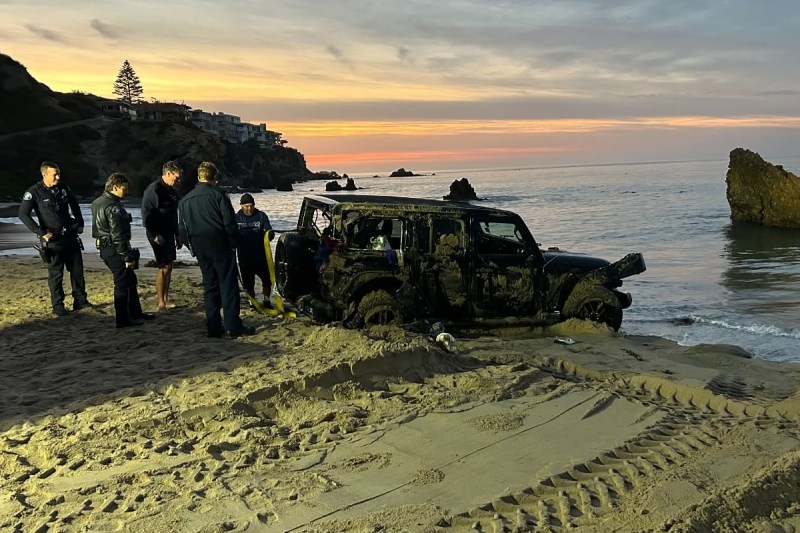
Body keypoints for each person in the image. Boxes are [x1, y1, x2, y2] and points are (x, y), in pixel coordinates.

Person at [178, 162, 256, 338]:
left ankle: (213, 326)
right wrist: (234, 242)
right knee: (228, 285)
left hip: (200, 246)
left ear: (199, 177)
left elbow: (182, 228)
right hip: (219, 243)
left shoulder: (185, 200)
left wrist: (191, 247)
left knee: (210, 285)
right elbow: (229, 222)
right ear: (215, 178)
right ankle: (233, 325)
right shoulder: (218, 195)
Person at [18, 161, 91, 316]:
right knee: (56, 274)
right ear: (44, 174)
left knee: (77, 271)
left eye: (59, 173)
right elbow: (23, 214)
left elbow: (75, 204)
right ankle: (58, 306)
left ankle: (81, 301)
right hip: (52, 240)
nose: (58, 177)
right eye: (54, 174)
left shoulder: (63, 188)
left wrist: (80, 223)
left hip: (70, 236)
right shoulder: (34, 192)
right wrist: (40, 232)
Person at [91, 173, 155, 328]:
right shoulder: (114, 208)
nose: (126, 192)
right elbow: (118, 235)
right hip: (115, 249)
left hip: (106, 247)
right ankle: (123, 319)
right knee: (122, 283)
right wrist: (126, 256)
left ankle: (134, 313)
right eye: (124, 189)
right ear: (115, 187)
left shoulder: (98, 202)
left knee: (130, 280)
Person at [142, 160, 183, 311]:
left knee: (170, 265)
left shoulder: (172, 191)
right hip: (156, 232)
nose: (179, 180)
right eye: (177, 177)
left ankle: (166, 298)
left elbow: (173, 215)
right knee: (163, 266)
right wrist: (155, 234)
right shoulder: (154, 190)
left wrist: (178, 235)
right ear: (168, 173)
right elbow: (146, 215)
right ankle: (160, 302)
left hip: (169, 231)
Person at [235, 193, 274, 306]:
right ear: (241, 206)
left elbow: (269, 231)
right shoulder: (236, 218)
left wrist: (270, 234)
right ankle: (252, 303)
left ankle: (266, 300)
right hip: (244, 257)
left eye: (251, 205)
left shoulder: (261, 216)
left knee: (266, 280)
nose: (249, 208)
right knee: (248, 283)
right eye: (246, 206)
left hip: (261, 256)